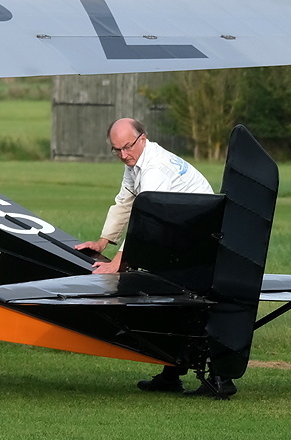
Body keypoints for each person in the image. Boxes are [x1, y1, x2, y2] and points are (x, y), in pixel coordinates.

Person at [74, 118, 227, 397]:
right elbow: (125, 202)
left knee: (194, 307)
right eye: (116, 150)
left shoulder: (155, 168)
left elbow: (147, 219)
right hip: (183, 237)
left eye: (127, 147)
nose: (123, 155)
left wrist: (119, 261)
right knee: (175, 307)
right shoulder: (136, 164)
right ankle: (171, 376)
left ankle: (219, 380)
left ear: (143, 138)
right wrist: (102, 241)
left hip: (202, 242)